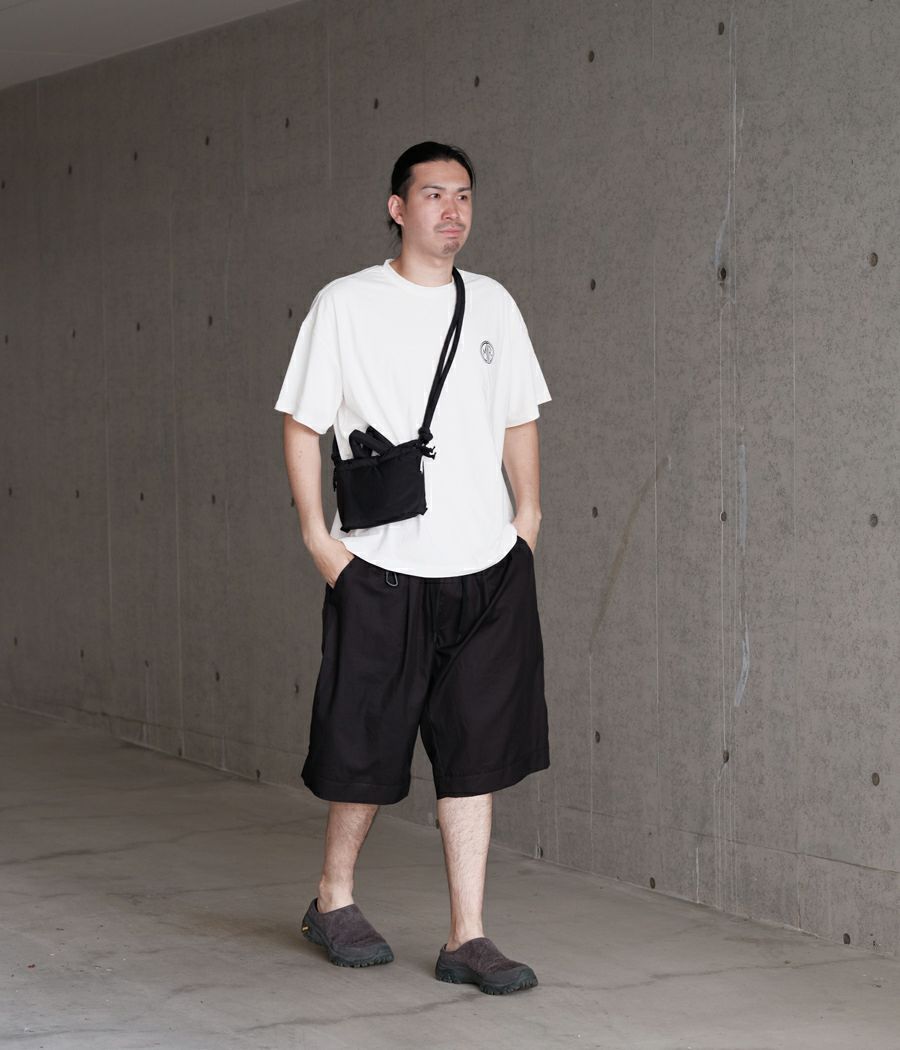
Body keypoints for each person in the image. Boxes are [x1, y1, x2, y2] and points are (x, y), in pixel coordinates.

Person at [274, 141, 552, 995]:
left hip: (487, 569)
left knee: (475, 754)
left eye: (463, 195)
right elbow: (302, 422)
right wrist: (320, 542)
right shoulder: (346, 304)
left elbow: (518, 415)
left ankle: (468, 935)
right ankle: (334, 898)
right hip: (383, 569)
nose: (452, 210)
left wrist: (527, 519)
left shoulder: (493, 303)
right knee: (364, 745)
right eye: (433, 195)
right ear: (398, 208)